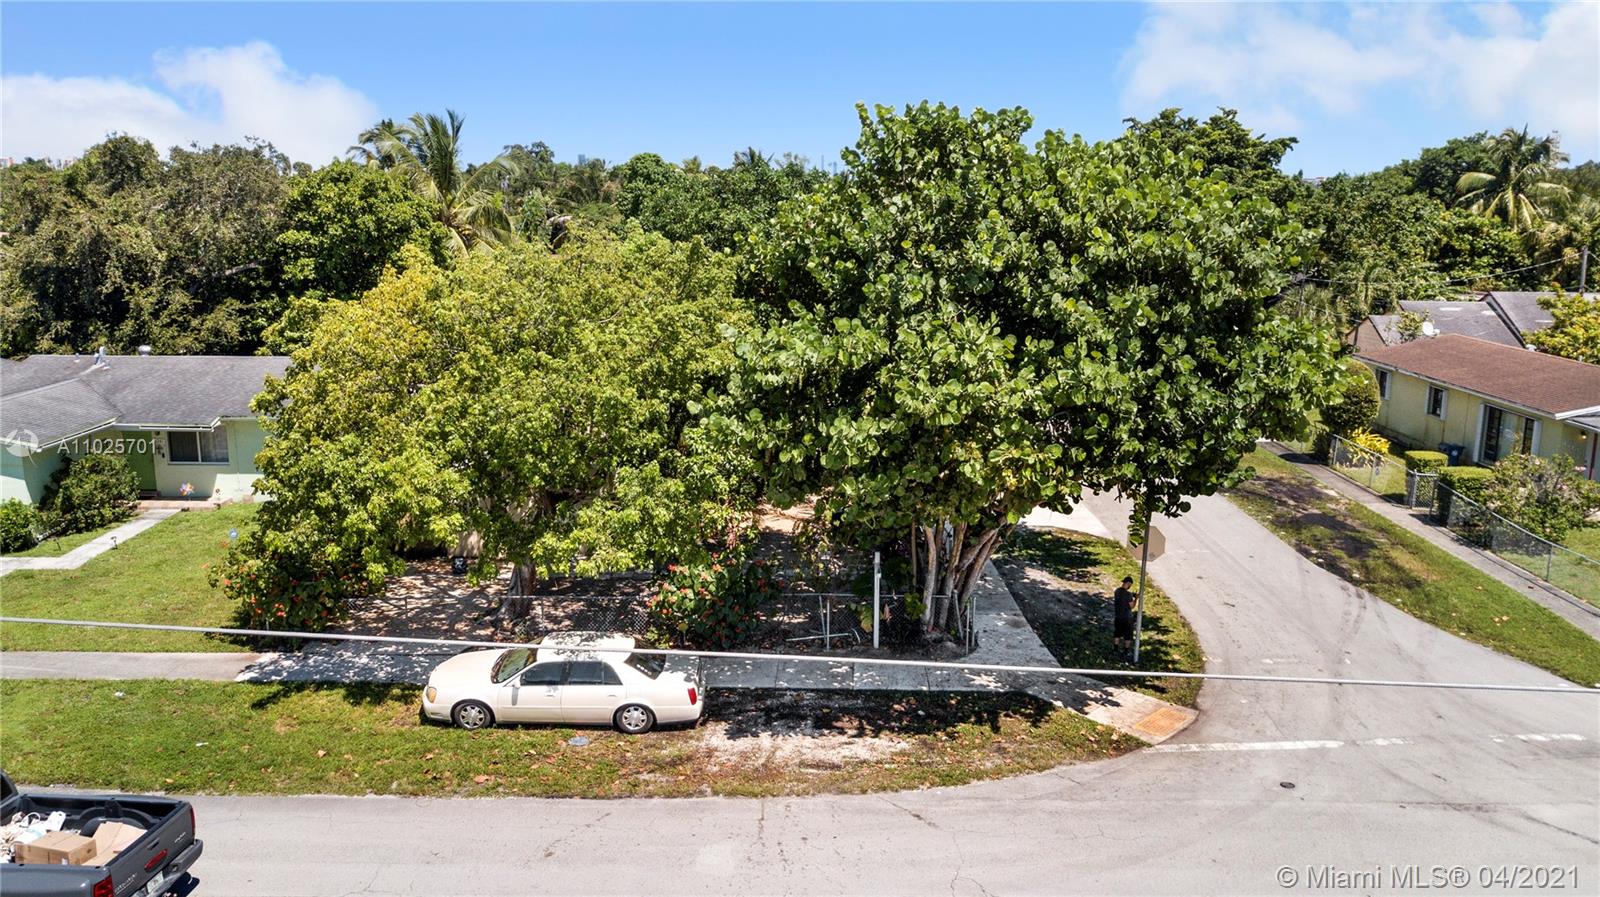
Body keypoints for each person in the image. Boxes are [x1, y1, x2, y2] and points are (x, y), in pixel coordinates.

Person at [1112, 575, 1139, 657]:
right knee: (1128, 635)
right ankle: (1126, 651)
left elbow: (1122, 596)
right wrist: (1136, 598)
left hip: (1118, 616)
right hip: (1127, 617)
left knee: (1117, 633)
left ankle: (1115, 649)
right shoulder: (1128, 594)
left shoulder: (1117, 591)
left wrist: (1131, 595)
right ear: (1129, 583)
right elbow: (1132, 606)